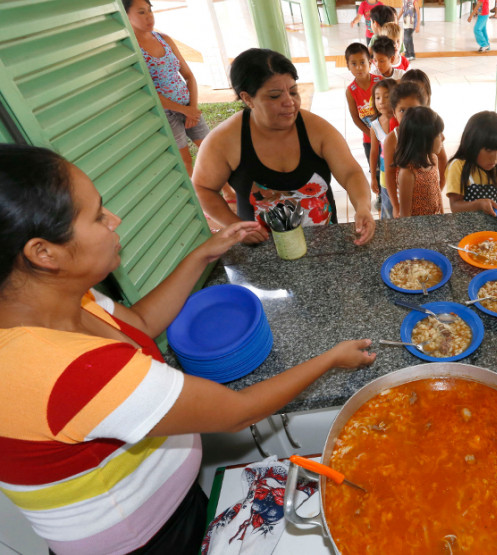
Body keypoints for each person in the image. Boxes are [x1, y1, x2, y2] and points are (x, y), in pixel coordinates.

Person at [0, 144, 376, 553]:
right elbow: (239, 411)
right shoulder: (63, 370)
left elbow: (139, 324)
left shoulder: (62, 300)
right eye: (96, 216)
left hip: (169, 508)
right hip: (147, 542)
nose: (114, 220)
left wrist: (204, 254)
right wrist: (331, 358)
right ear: (43, 252)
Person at [193, 48, 375, 246]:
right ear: (248, 98)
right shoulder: (225, 140)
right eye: (274, 96)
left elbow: (350, 173)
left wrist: (362, 207)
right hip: (262, 247)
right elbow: (202, 188)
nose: (289, 102)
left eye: (293, 92)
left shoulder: (317, 129)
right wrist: (236, 226)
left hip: (324, 243)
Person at [123, 0, 208, 178]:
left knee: (210, 149)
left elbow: (189, 76)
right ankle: (197, 195)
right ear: (126, 15)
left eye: (149, 10)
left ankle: (228, 190)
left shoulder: (164, 39)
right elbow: (146, 91)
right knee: (185, 161)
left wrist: (192, 108)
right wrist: (183, 110)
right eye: (141, 12)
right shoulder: (131, 50)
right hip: (165, 113)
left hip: (188, 105)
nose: (149, 17)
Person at [392, 106, 445, 217]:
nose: (443, 138)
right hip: (417, 226)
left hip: (435, 221)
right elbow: (405, 216)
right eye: (439, 134)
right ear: (424, 139)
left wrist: (442, 216)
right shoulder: (407, 173)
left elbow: (437, 193)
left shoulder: (433, 159)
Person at [344, 42, 382, 182]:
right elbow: (355, 118)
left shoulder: (380, 82)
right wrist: (371, 135)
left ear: (370, 63)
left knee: (390, 167)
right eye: (353, 64)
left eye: (362, 62)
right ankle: (379, 191)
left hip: (387, 136)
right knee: (376, 170)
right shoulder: (350, 91)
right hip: (369, 140)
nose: (359, 67)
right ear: (348, 66)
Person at [369, 79, 397, 219]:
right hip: (385, 173)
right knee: (388, 207)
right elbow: (374, 152)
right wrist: (373, 177)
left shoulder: (402, 120)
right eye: (378, 97)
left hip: (404, 171)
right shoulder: (375, 125)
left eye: (387, 96)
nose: (381, 101)